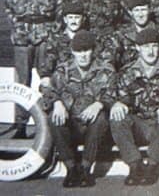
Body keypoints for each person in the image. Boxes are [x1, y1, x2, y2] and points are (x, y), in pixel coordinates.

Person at [42, 30, 113, 188]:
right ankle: (71, 168)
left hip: (93, 128)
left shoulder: (105, 69)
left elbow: (114, 92)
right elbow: (47, 89)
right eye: (79, 51)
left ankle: (86, 169)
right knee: (53, 117)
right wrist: (57, 102)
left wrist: (99, 104)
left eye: (87, 50)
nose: (83, 55)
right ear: (73, 52)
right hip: (71, 125)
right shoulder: (63, 70)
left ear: (93, 51)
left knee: (101, 118)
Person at [5, 0, 62, 137]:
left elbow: (59, 12)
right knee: (22, 82)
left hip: (44, 36)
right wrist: (18, 26)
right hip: (22, 38)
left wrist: (52, 33)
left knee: (47, 79)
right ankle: (21, 125)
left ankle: (48, 124)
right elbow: (8, 8)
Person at [109, 28, 159, 186]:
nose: (151, 51)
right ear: (138, 48)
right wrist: (118, 103)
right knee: (117, 117)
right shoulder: (128, 71)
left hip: (158, 125)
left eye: (154, 46)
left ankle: (152, 166)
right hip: (138, 124)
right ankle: (135, 166)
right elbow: (116, 94)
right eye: (146, 47)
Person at [106, 0, 159, 70]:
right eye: (136, 10)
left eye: (143, 10)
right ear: (130, 12)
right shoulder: (121, 34)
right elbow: (108, 60)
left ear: (150, 10)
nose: (140, 15)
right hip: (129, 75)